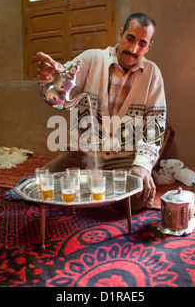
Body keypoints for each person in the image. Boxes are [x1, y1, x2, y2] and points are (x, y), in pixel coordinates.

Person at [36, 13, 167, 211]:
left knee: (137, 200)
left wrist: (141, 165)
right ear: (121, 35)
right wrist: (53, 78)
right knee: (43, 188)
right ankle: (99, 193)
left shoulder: (152, 73)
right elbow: (64, 79)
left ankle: (97, 192)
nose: (133, 49)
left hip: (124, 159)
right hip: (82, 155)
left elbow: (155, 125)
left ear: (149, 46)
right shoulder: (91, 59)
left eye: (142, 43)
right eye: (130, 39)